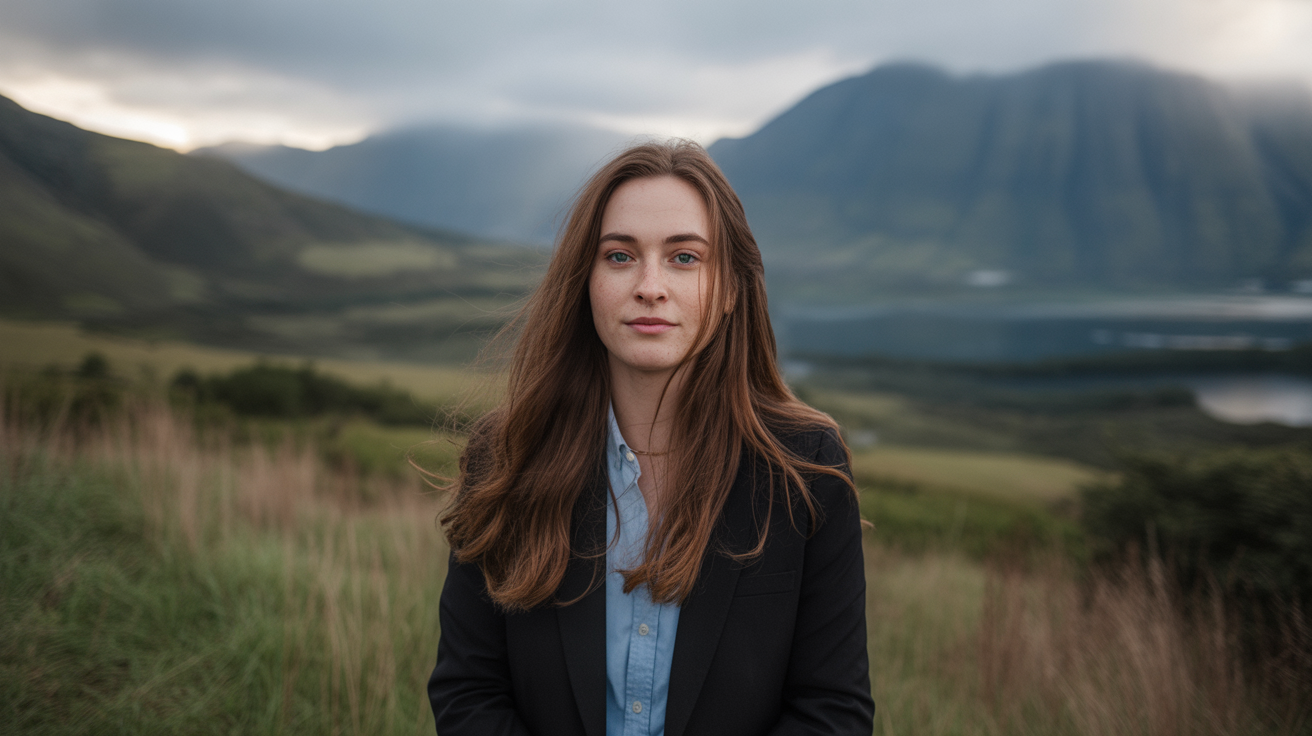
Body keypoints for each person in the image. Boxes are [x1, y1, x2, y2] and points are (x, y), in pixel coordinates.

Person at [428, 140, 873, 736]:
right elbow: (469, 693)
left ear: (732, 289)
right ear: (585, 281)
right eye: (619, 256)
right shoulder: (507, 457)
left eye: (684, 258)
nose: (650, 286)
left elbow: (833, 712)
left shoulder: (806, 468)